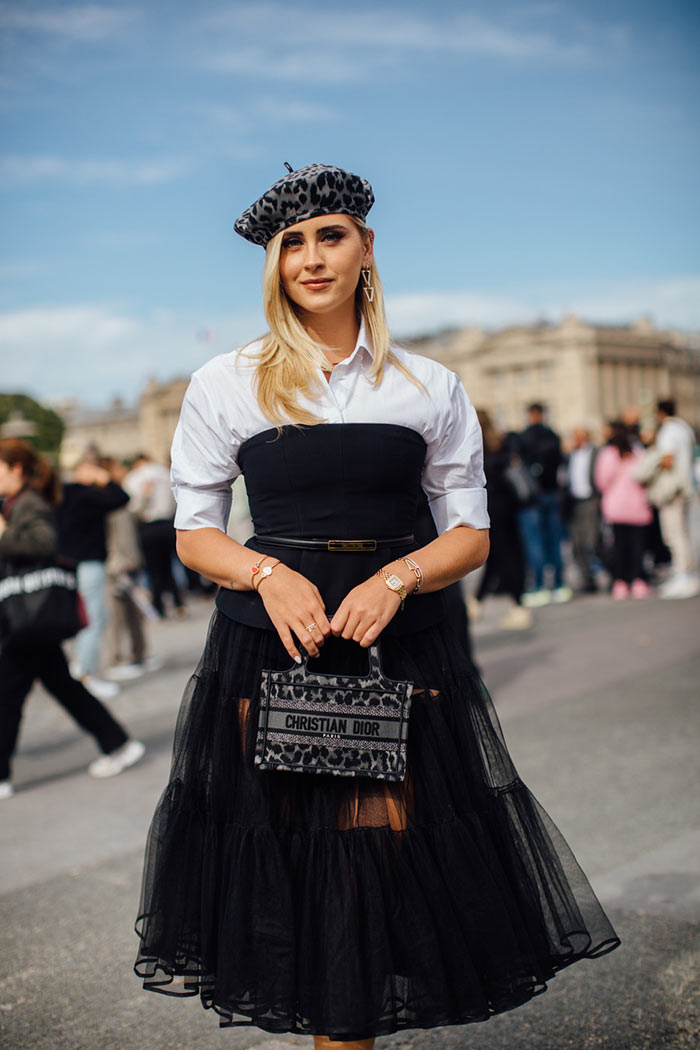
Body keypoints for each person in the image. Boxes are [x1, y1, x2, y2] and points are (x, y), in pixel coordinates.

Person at [134, 164, 618, 1046]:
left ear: (365, 248)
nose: (312, 259)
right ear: (275, 267)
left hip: (400, 643)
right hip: (274, 645)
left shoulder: (428, 384)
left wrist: (396, 579)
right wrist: (266, 574)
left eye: (330, 236)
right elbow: (195, 535)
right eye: (293, 245)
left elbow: (468, 535)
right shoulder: (226, 381)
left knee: (386, 862)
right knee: (303, 871)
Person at [0, 440, 145, 799]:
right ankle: (118, 743)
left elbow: (44, 543)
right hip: (28, 617)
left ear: (16, 469)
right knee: (57, 686)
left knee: (8, 694)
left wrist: (4, 535)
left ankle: (1, 774)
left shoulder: (29, 502)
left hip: (29, 616)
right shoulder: (18, 502)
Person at [57, 457, 131, 699]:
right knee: (94, 618)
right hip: (89, 563)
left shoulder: (64, 493)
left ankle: (81, 671)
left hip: (71, 564)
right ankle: (83, 675)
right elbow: (121, 498)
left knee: (90, 617)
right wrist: (105, 479)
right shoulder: (84, 494)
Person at [470, 410, 532, 629]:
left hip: (491, 508)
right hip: (507, 508)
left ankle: (518, 606)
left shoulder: (475, 445)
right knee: (501, 556)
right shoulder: (502, 443)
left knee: (504, 558)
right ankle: (478, 603)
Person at [517, 403, 572, 606]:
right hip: (551, 492)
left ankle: (539, 585)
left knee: (534, 542)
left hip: (531, 496)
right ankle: (558, 583)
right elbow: (561, 463)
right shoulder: (553, 435)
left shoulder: (524, 437)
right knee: (554, 540)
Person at [594, 422, 652, 599]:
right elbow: (645, 475)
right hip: (637, 505)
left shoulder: (607, 455)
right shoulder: (637, 453)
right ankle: (637, 580)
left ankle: (620, 581)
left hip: (617, 506)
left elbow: (601, 481)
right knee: (637, 546)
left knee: (619, 545)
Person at [123, 453, 185, 618]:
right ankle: (178, 603)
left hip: (148, 526)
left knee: (154, 569)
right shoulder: (164, 473)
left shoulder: (132, 478)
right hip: (167, 523)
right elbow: (175, 499)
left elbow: (133, 508)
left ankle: (159, 606)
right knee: (169, 566)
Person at [654, 400, 699, 599]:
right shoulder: (685, 428)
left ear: (660, 412)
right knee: (685, 533)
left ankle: (684, 574)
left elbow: (668, 459)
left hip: (673, 489)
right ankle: (686, 573)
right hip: (687, 485)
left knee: (674, 533)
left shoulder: (668, 431)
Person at [565, 426, 601, 593]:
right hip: (575, 503)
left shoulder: (596, 453)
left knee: (593, 541)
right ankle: (587, 579)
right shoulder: (570, 456)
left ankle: (610, 572)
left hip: (591, 501)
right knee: (577, 544)